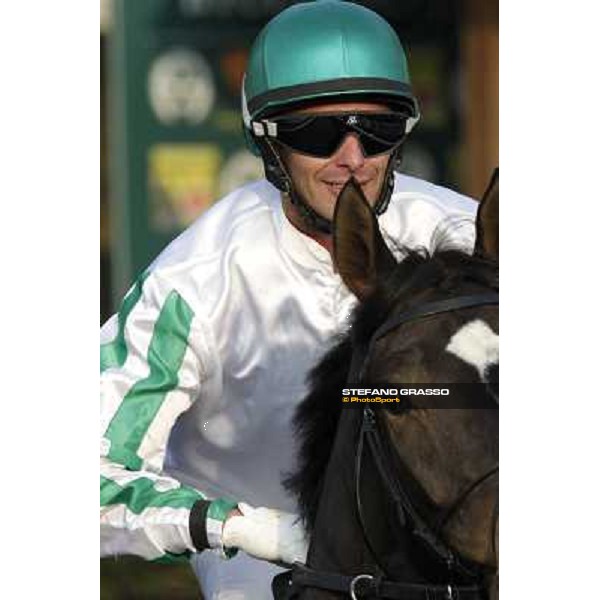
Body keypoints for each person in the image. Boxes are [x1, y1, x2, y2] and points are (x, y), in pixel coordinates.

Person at [100, 1, 478, 598]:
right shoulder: (194, 282)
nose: (351, 158)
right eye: (319, 132)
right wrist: (258, 531)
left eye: (375, 130)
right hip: (266, 564)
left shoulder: (466, 236)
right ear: (268, 143)